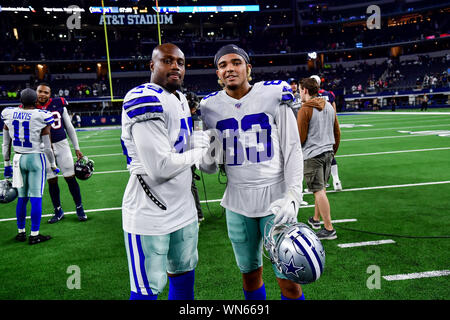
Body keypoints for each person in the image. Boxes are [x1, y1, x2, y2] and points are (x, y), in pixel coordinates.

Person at [199, 44, 305, 300]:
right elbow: (209, 167)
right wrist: (202, 151)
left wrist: (293, 195)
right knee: (249, 274)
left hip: (276, 198)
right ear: (217, 73)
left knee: (288, 279)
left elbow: (292, 149)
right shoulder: (209, 107)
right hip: (237, 200)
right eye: (223, 65)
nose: (229, 69)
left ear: (248, 68)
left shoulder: (273, 94)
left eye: (235, 62)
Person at [120, 43, 210, 300]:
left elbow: (181, 146)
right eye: (167, 61)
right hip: (150, 209)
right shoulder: (143, 97)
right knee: (147, 289)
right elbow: (159, 169)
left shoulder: (179, 97)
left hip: (183, 205)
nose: (175, 67)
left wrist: (198, 145)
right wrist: (200, 151)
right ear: (152, 65)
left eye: (180, 62)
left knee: (184, 277)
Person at [1, 88, 59, 244]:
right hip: (35, 158)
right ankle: (34, 235)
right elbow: (47, 147)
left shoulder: (9, 113)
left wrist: (6, 163)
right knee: (35, 198)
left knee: (22, 198)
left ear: (21, 100)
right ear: (35, 101)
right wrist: (53, 164)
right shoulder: (42, 116)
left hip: (17, 158)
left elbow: (5, 142)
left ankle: (21, 232)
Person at [35, 83, 87, 223]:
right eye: (40, 91)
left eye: (46, 92)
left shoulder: (58, 104)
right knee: (52, 180)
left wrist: (76, 147)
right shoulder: (31, 107)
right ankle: (58, 210)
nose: (43, 94)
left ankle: (79, 207)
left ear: (50, 94)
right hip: (43, 148)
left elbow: (69, 127)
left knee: (70, 177)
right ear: (36, 92)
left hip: (62, 145)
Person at [297, 78, 340, 240]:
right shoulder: (328, 105)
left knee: (318, 190)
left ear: (305, 90)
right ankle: (316, 219)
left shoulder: (305, 109)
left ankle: (329, 229)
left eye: (300, 90)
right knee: (321, 188)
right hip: (328, 152)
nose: (299, 93)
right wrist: (333, 151)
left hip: (313, 155)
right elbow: (337, 131)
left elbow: (300, 137)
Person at [310, 75, 342, 191]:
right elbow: (334, 112)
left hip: (316, 129)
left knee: (315, 155)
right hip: (329, 127)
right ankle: (336, 180)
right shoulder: (328, 94)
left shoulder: (312, 96)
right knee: (329, 154)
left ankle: (321, 182)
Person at [185, 91, 205, 222]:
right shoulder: (197, 119)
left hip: (187, 156)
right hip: (190, 156)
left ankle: (197, 214)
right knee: (190, 184)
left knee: (190, 185)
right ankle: (197, 213)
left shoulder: (191, 119)